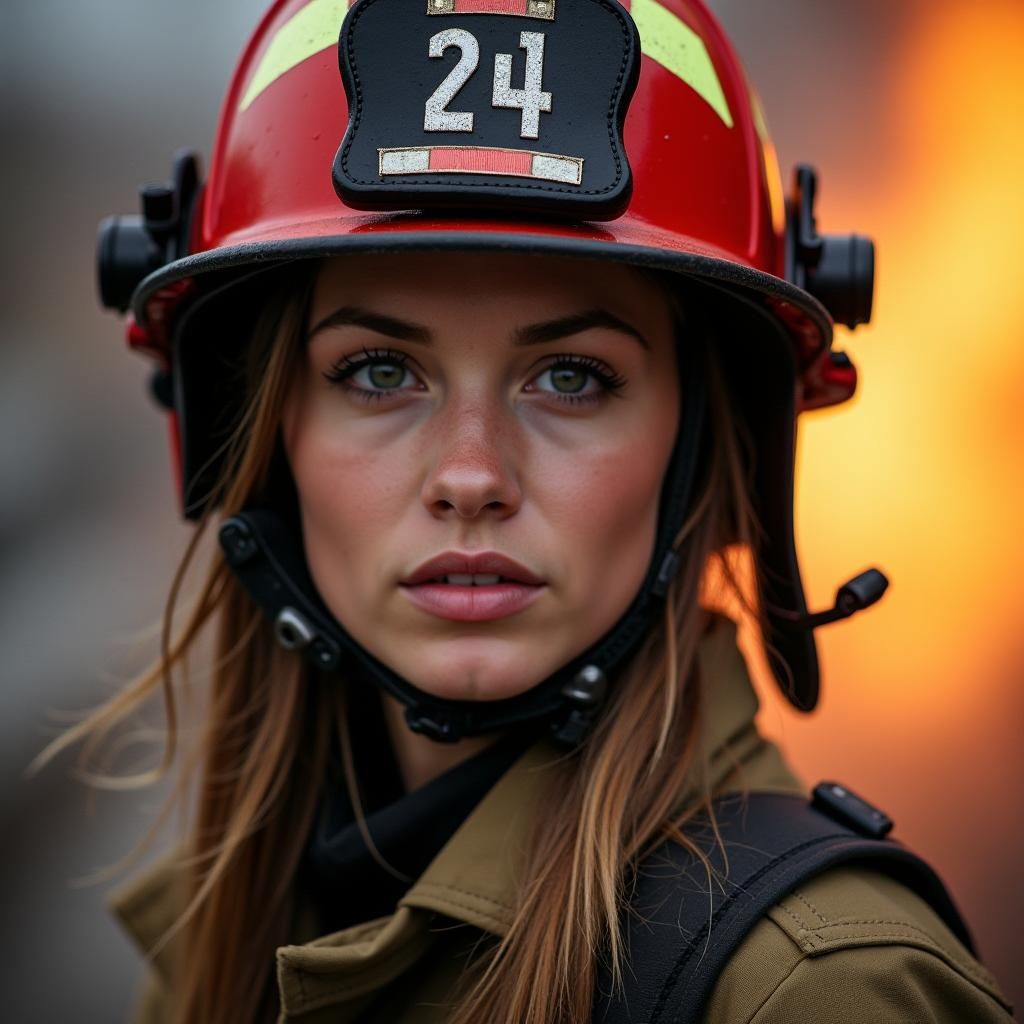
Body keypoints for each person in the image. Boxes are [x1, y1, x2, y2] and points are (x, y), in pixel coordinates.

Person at [60, 0, 1013, 1022]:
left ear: (702, 445)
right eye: (379, 371)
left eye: (570, 376)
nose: (471, 476)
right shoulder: (236, 937)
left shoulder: (818, 990)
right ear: (257, 434)